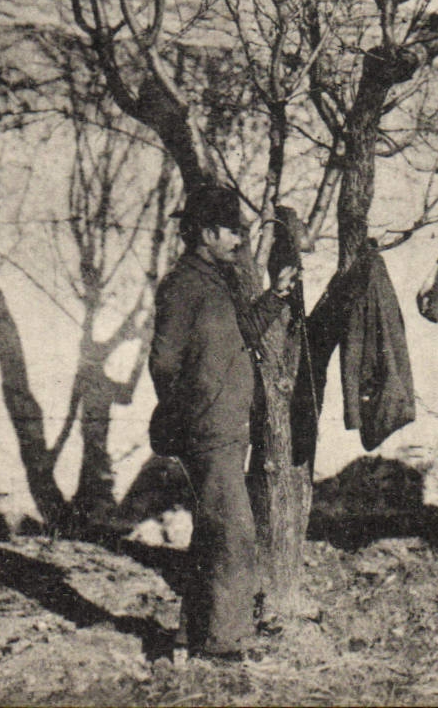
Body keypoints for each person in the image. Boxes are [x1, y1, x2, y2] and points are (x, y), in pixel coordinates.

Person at [148, 183, 297, 658]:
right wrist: (191, 415)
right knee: (235, 533)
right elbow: (163, 363)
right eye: (233, 232)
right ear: (207, 232)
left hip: (229, 430)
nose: (240, 240)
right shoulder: (182, 286)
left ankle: (193, 634)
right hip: (206, 432)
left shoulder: (219, 281)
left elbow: (242, 335)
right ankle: (224, 646)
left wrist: (274, 297)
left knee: (214, 533)